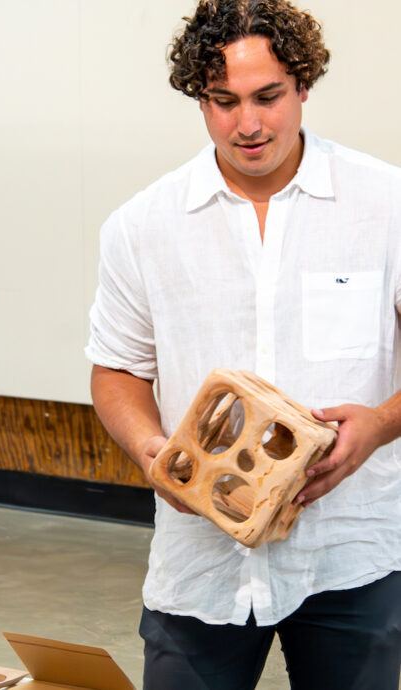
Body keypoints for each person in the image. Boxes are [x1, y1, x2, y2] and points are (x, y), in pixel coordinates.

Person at [85, 0, 401, 687]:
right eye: (223, 101)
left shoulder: (386, 205)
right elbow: (116, 369)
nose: (249, 124)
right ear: (200, 100)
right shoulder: (142, 225)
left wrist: (379, 424)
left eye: (268, 97)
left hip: (350, 554)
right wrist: (150, 450)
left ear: (304, 86)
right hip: (201, 564)